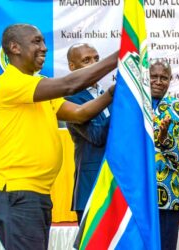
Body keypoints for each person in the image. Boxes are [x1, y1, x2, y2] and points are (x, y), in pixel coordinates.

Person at [0, 24, 118, 250]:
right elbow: (70, 85)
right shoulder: (11, 82)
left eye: (44, 42)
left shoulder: (38, 85)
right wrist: (118, 57)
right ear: (14, 47)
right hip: (17, 192)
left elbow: (79, 113)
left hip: (34, 194)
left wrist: (114, 92)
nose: (44, 48)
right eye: (36, 41)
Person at [65, 43, 111, 225]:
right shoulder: (70, 99)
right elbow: (96, 136)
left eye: (96, 59)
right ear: (72, 67)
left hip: (118, 186)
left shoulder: (104, 92)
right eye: (86, 60)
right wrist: (117, 103)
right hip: (91, 188)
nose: (94, 64)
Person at [150, 58, 179, 250]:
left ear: (170, 79)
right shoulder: (132, 106)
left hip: (168, 194)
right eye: (153, 77)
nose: (158, 81)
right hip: (134, 194)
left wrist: (165, 139)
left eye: (163, 77)